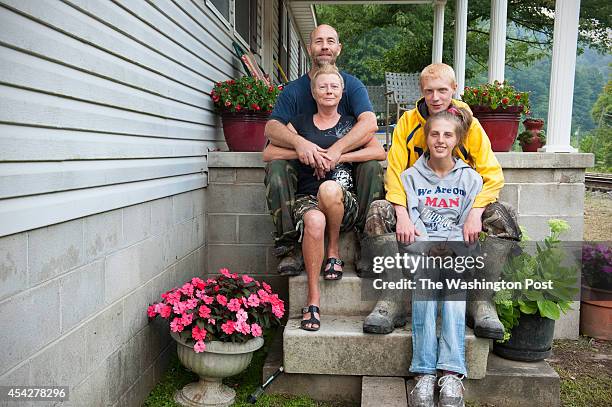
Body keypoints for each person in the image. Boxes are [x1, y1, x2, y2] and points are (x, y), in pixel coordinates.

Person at [362, 63, 519, 340]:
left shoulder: (469, 125)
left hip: (461, 208)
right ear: (421, 92)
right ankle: (392, 298)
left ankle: (480, 301)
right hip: (418, 207)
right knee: (378, 211)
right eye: (429, 91)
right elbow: (396, 173)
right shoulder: (408, 124)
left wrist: (475, 213)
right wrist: (402, 214)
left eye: (443, 91)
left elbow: (492, 175)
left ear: (454, 89)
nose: (436, 98)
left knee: (503, 216)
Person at [263, 64, 385, 331]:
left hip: (344, 200)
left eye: (334, 86)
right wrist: (306, 151)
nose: (328, 91)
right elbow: (269, 154)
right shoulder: (300, 123)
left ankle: (333, 251)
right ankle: (313, 301)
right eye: (322, 87)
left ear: (342, 92)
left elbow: (379, 152)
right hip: (308, 198)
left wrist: (338, 156)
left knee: (329, 189)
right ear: (314, 92)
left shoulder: (350, 124)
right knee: (314, 221)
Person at [264, 24, 383, 276]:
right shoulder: (294, 91)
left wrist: (338, 151)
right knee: (276, 168)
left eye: (331, 41)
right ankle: (288, 247)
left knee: (372, 167)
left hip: (343, 181)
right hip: (305, 181)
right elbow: (272, 129)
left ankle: (367, 244)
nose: (325, 46)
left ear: (339, 48)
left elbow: (370, 125)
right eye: (319, 41)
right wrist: (301, 146)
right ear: (309, 48)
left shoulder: (351, 85)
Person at [402, 107, 481, 407]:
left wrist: (449, 246)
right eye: (434, 134)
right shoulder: (410, 177)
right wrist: (428, 245)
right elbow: (411, 217)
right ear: (426, 137)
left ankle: (451, 372)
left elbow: (467, 221)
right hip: (423, 251)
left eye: (448, 135)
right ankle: (423, 372)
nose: (440, 140)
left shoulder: (470, 179)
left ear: (457, 139)